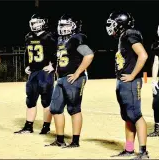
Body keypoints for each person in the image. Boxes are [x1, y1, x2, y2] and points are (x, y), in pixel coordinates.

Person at [106, 11, 149, 159]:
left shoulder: (130, 33)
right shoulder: (123, 36)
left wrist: (132, 75)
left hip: (131, 82)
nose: (111, 26)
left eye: (114, 23)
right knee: (128, 116)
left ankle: (143, 152)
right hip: (123, 81)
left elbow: (143, 55)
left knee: (136, 115)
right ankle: (129, 149)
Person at [46, 14, 94, 148]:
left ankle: (75, 141)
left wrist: (77, 73)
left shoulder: (77, 38)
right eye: (61, 25)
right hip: (61, 78)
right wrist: (54, 68)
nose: (62, 28)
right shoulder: (60, 40)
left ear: (73, 26)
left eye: (65, 25)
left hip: (74, 78)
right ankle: (60, 139)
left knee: (74, 109)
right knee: (55, 109)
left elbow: (89, 55)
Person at [14, 13, 57, 134]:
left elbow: (58, 52)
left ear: (43, 23)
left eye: (37, 22)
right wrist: (27, 65)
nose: (35, 24)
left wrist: (53, 65)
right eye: (33, 22)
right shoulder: (28, 36)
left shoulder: (49, 36)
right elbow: (27, 53)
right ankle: (28, 127)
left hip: (45, 72)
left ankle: (46, 127)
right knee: (30, 100)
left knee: (46, 101)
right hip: (33, 72)